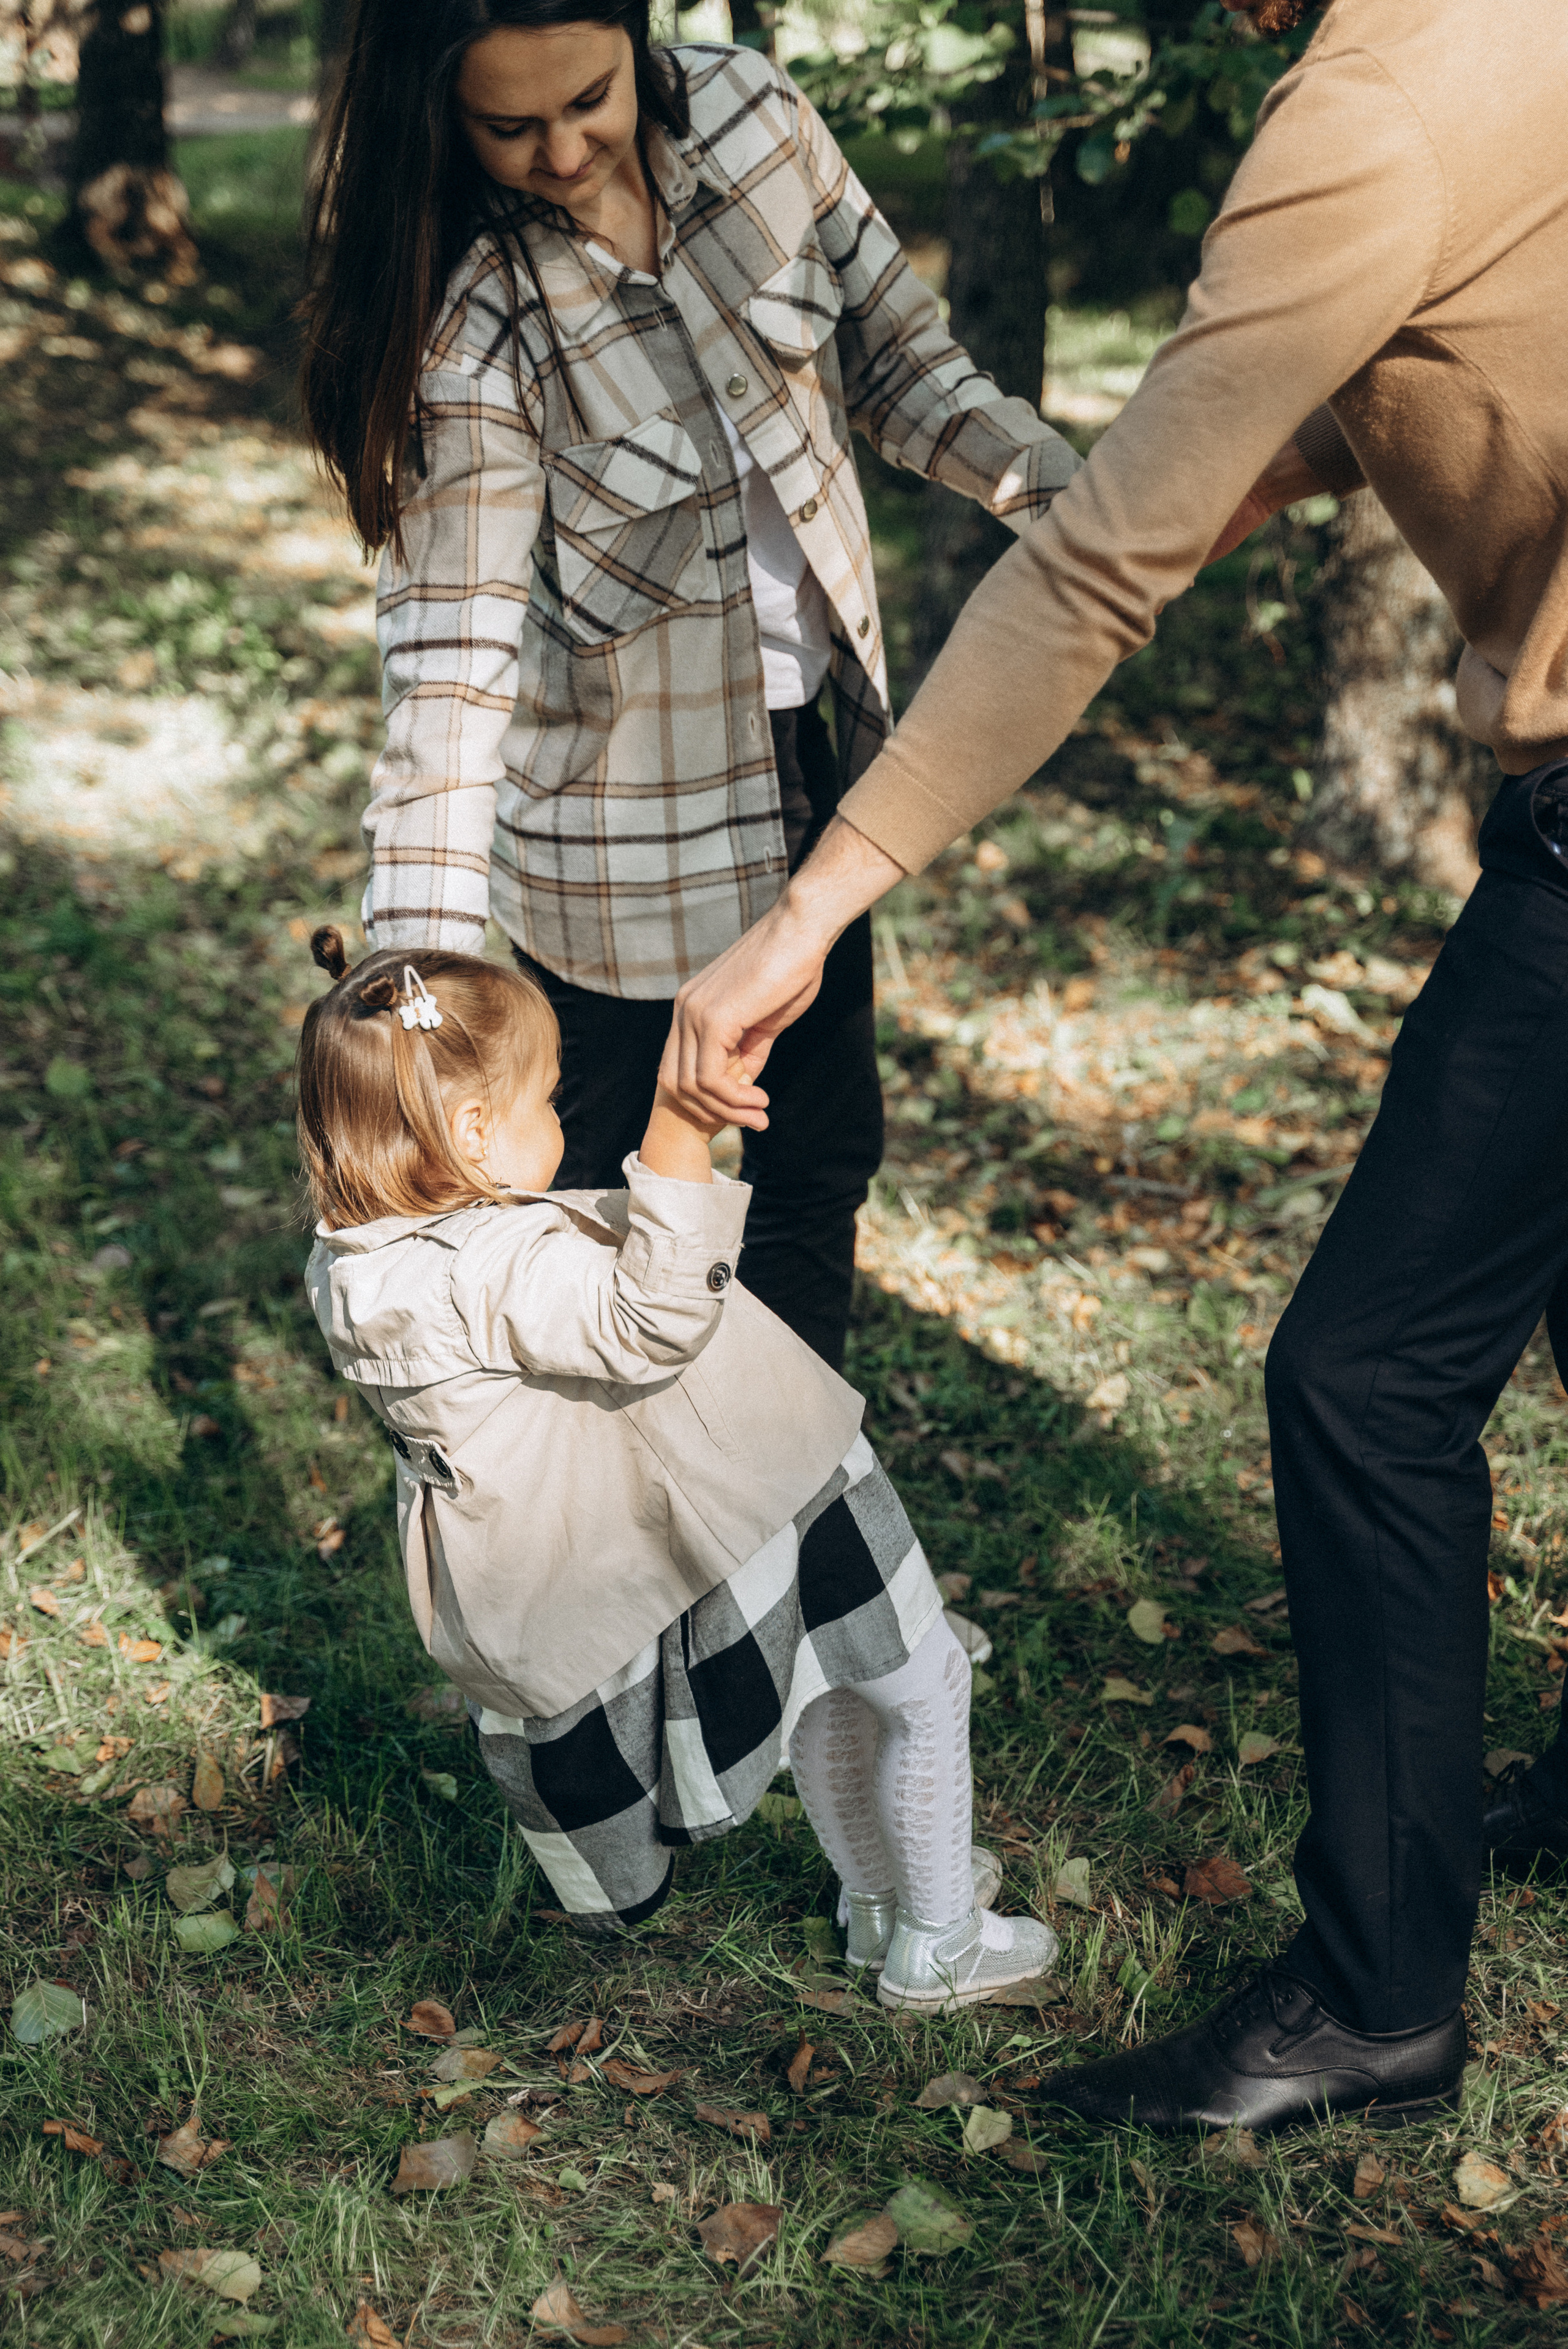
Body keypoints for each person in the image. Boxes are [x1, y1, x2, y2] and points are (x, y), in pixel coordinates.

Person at [660, 0, 1568, 2133]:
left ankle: (1378, 1995)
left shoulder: (1376, 110)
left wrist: (816, 900)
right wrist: (1195, 472)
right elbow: (1434, 369)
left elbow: (1100, 571)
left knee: (1365, 1378)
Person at [298, 0, 1079, 1374]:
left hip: (805, 771)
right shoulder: (474, 310)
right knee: (622, 1216)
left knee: (815, 1159)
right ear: (443, 117)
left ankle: (786, 1495)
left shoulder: (754, 120)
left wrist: (1090, 508)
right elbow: (449, 669)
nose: (561, 150)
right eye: (507, 125)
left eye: (590, 99)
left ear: (638, 36)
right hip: (614, 848)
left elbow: (903, 369)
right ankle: (646, 1548)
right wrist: (416, 999)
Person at [294, 926, 1054, 2010]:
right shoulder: (497, 1265)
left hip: (690, 1527)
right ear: (469, 1134)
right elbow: (652, 1318)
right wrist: (679, 1132)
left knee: (832, 1696)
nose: (559, 1122)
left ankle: (879, 1899)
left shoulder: (358, 1263)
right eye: (544, 1105)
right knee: (923, 1681)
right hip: (756, 1483)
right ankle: (941, 1938)